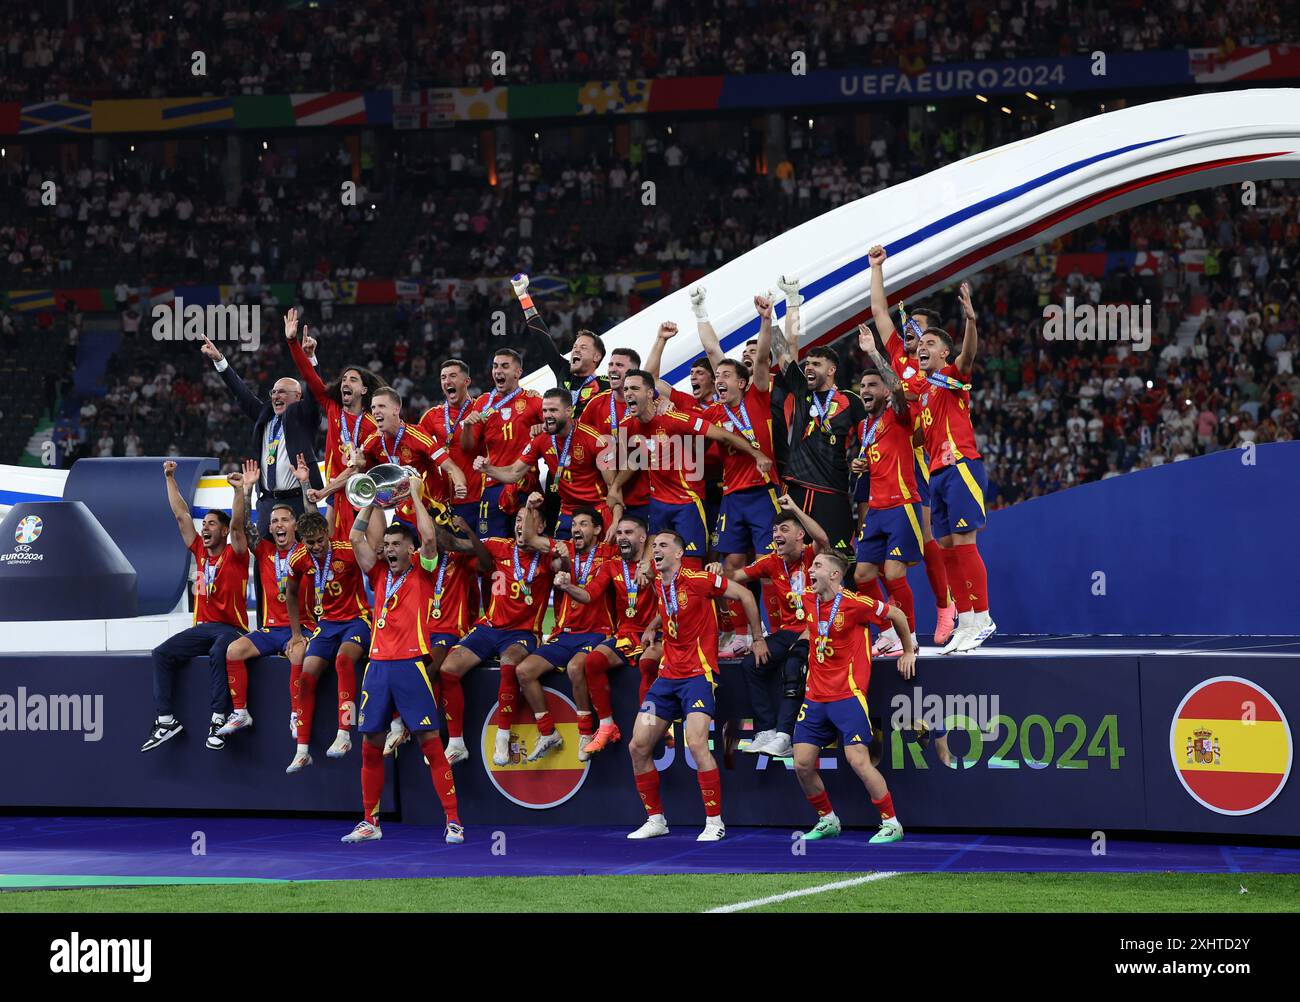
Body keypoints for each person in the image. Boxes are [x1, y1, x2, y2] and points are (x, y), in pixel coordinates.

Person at [339, 478, 464, 845]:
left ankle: (453, 821)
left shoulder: (424, 571)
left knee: (430, 741)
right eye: (388, 545)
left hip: (411, 665)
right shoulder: (378, 573)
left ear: (410, 550)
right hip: (377, 667)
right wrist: (370, 501)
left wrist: (413, 495)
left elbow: (428, 537)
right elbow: (356, 539)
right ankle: (369, 821)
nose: (389, 550)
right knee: (370, 745)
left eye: (396, 545)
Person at [626, 531, 767, 842]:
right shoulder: (659, 584)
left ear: (679, 554)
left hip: (697, 677)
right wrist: (652, 628)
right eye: (654, 546)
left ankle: (714, 821)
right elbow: (672, 613)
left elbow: (743, 595)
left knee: (697, 744)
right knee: (637, 746)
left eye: (663, 545)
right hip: (666, 679)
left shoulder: (700, 579)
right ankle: (656, 819)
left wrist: (757, 638)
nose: (657, 550)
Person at [865, 245, 956, 644]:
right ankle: (934, 611)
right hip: (904, 447)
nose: (909, 333)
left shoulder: (933, 365)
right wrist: (876, 268)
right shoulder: (899, 356)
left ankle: (946, 605)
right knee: (920, 536)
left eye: (917, 328)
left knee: (935, 535)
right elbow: (880, 310)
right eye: (909, 329)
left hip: (931, 448)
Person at [793, 550, 914, 844]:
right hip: (814, 696)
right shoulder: (808, 600)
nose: (811, 570)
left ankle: (891, 823)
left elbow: (896, 614)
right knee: (802, 764)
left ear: (835, 574)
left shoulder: (855, 604)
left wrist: (909, 651)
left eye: (818, 566)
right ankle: (827, 819)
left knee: (858, 761)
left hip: (847, 694)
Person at [611, 364, 772, 566]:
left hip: (688, 502)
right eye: (626, 389)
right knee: (651, 568)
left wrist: (756, 453)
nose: (628, 393)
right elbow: (636, 460)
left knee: (691, 567)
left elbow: (722, 435)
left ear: (650, 393)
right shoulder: (628, 425)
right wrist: (616, 486)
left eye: (634, 388)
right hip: (658, 503)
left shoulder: (674, 419)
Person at [436, 496, 554, 767]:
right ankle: (456, 743)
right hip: (489, 627)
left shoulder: (547, 555)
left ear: (542, 526)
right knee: (448, 670)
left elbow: (565, 565)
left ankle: (503, 736)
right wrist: (428, 515)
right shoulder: (497, 546)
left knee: (510, 663)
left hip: (522, 632)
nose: (521, 526)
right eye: (518, 521)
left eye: (528, 520)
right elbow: (451, 544)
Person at [141, 461, 250, 753]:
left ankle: (218, 719)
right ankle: (166, 721)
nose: (204, 529)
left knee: (219, 651)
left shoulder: (236, 553)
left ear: (224, 531)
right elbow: (180, 515)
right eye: (204, 525)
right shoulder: (200, 551)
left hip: (232, 630)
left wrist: (239, 491)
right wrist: (169, 477)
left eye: (212, 524)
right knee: (161, 653)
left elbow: (239, 525)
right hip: (203, 629)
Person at [711, 497, 827, 759]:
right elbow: (733, 579)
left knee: (794, 666)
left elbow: (822, 538)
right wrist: (717, 571)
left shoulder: (811, 555)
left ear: (800, 535)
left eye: (784, 530)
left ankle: (785, 736)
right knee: (750, 665)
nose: (776, 535)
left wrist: (795, 509)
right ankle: (766, 730)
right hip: (787, 632)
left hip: (814, 629)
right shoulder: (771, 562)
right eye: (774, 531)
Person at [913, 282, 996, 653]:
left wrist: (971, 321)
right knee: (945, 547)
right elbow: (917, 437)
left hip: (961, 464)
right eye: (918, 347)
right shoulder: (926, 392)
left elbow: (969, 355)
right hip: (937, 474)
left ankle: (983, 617)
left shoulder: (952, 376)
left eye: (929, 344)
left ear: (944, 352)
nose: (921, 350)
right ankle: (965, 620)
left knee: (964, 544)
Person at [383, 512, 494, 762]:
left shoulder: (461, 559)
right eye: (427, 533)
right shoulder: (417, 559)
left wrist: (467, 532)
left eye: (435, 532)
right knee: (394, 664)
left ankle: (423, 731)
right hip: (421, 630)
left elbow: (486, 565)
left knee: (431, 669)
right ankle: (401, 726)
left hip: (450, 631)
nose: (430, 537)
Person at [217, 461, 313, 741]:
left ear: (295, 524)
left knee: (298, 654)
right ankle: (240, 713)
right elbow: (244, 528)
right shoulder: (265, 550)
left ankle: (297, 714)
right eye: (274, 522)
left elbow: (312, 519)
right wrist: (246, 491)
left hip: (302, 627)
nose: (278, 525)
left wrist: (305, 483)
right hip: (271, 629)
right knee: (234, 650)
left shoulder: (306, 549)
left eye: (284, 520)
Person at [513, 506, 615, 761]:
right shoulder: (563, 547)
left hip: (597, 632)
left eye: (583, 524)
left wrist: (567, 582)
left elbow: (590, 597)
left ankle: (585, 733)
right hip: (565, 632)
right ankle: (547, 732)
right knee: (524, 671)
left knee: (575, 668)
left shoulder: (608, 554)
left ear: (598, 529)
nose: (576, 529)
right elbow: (528, 538)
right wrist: (531, 508)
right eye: (574, 524)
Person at [200, 329, 322, 538]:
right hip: (267, 501)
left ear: (298, 396)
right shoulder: (265, 415)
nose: (276, 396)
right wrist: (221, 361)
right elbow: (242, 393)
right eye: (273, 392)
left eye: (282, 392)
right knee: (262, 559)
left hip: (298, 498)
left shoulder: (303, 415)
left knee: (303, 556)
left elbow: (315, 391)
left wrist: (310, 358)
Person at [561, 514, 661, 755]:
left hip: (657, 633)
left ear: (642, 537)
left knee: (648, 664)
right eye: (619, 533)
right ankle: (607, 726)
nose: (622, 538)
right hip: (627, 634)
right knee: (593, 662)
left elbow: (670, 602)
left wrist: (653, 625)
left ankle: (653, 729)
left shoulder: (657, 563)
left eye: (628, 533)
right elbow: (589, 595)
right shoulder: (611, 566)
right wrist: (567, 587)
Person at [847, 354, 924, 657]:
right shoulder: (866, 426)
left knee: (893, 575)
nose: (865, 390)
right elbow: (876, 456)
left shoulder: (898, 414)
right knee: (863, 575)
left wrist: (875, 354)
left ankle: (911, 637)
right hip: (876, 510)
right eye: (862, 385)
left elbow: (900, 391)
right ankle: (889, 632)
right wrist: (859, 464)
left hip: (902, 505)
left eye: (872, 385)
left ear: (886, 391)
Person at [284, 306, 382, 541]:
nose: (346, 382)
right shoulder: (332, 406)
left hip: (364, 493)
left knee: (376, 552)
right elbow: (309, 375)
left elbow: (356, 468)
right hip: (335, 496)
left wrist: (325, 490)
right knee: (334, 554)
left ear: (364, 390)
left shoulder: (372, 424)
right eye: (344, 378)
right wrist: (292, 342)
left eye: (353, 379)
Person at [285, 510, 372, 768]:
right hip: (326, 624)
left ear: (328, 533)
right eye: (310, 542)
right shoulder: (299, 558)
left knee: (344, 661)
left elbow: (375, 569)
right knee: (306, 676)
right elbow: (291, 593)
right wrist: (297, 633)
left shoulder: (348, 550)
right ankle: (302, 750)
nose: (316, 547)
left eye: (320, 540)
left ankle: (345, 733)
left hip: (357, 619)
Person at [318, 387, 467, 529]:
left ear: (396, 410)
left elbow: (450, 467)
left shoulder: (417, 436)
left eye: (381, 406)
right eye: (374, 407)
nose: (376, 411)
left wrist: (460, 484)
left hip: (431, 509)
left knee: (438, 550)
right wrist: (323, 492)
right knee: (390, 547)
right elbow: (354, 469)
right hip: (402, 513)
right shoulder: (373, 440)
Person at [477, 388, 617, 538]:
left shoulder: (595, 439)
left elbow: (614, 487)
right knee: (557, 560)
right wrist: (487, 469)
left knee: (603, 559)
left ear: (569, 411)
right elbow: (514, 473)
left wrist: (616, 522)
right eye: (544, 411)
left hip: (596, 508)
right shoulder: (541, 439)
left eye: (553, 410)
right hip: (568, 510)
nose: (547, 416)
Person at [459, 348, 544, 538]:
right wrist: (466, 426)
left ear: (518, 372)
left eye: (505, 366)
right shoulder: (483, 403)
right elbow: (467, 447)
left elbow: (557, 425)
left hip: (525, 484)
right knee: (493, 545)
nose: (498, 371)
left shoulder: (533, 400)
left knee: (528, 543)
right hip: (493, 485)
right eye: (495, 366)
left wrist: (543, 428)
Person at [418, 358, 484, 531]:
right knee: (457, 553)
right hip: (449, 500)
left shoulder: (481, 409)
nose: (447, 381)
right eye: (443, 377)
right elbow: (415, 446)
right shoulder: (432, 416)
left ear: (467, 381)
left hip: (482, 496)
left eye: (453, 376)